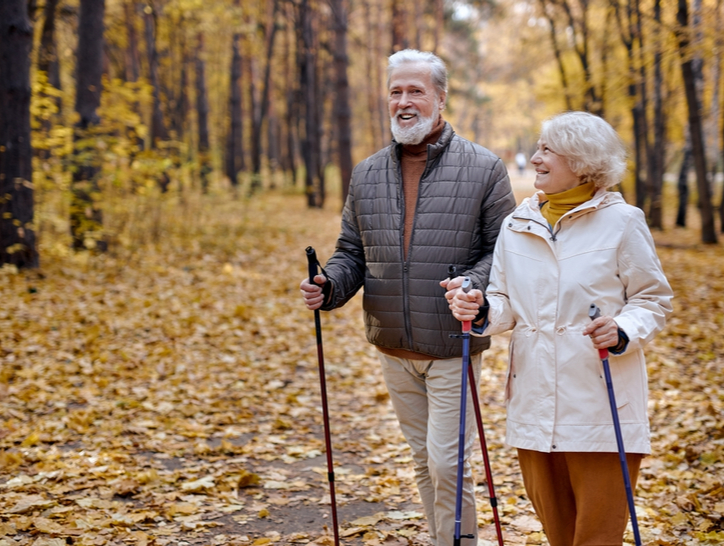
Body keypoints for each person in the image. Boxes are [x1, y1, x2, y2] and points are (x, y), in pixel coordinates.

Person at [300, 49, 516, 546]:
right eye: (396, 91)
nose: (404, 101)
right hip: (393, 345)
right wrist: (329, 285)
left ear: (441, 98)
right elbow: (352, 251)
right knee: (424, 462)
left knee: (446, 462)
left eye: (415, 90)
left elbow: (501, 252)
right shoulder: (367, 173)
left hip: (451, 341)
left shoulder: (484, 168)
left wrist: (472, 285)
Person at [446, 111, 673, 546]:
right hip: (534, 404)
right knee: (559, 536)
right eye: (538, 148)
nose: (535, 159)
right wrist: (477, 310)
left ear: (583, 161)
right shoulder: (518, 223)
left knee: (596, 537)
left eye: (547, 150)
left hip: (600, 404)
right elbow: (504, 303)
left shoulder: (623, 221)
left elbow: (653, 299)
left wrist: (623, 328)